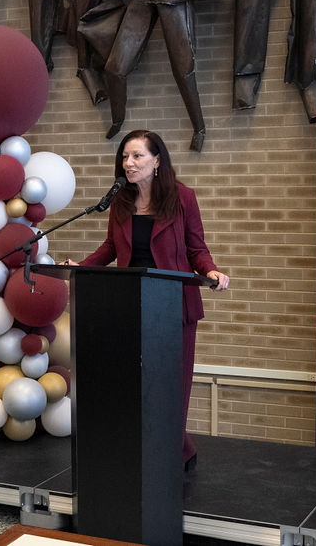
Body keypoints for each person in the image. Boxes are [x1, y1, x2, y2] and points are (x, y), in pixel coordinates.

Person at [64, 129, 229, 470]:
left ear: (157, 161)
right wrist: (81, 267)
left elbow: (196, 248)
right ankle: (146, 450)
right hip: (130, 304)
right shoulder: (121, 200)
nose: (129, 163)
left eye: (137, 156)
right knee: (136, 384)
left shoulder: (182, 198)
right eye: (125, 156)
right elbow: (111, 248)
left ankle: (175, 452)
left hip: (173, 306)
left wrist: (211, 271)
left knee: (171, 385)